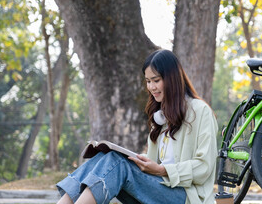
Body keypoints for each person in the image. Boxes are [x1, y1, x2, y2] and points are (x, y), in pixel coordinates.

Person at [56, 49, 218, 204]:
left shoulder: (200, 111)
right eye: (148, 81)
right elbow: (154, 163)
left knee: (117, 163)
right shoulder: (161, 117)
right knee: (104, 158)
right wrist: (141, 160)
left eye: (156, 80)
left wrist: (162, 170)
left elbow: (204, 167)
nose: (151, 87)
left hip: (187, 197)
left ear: (172, 78)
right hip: (161, 187)